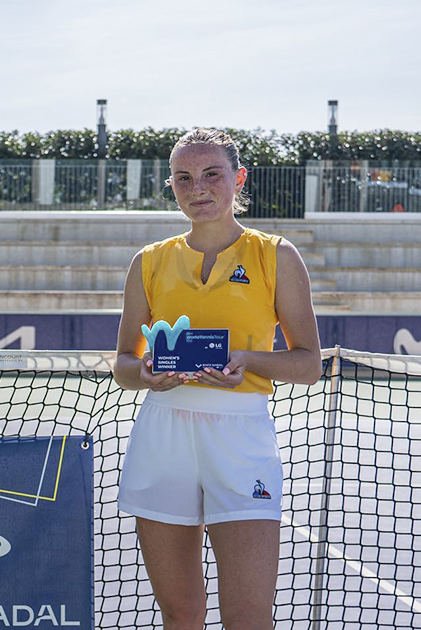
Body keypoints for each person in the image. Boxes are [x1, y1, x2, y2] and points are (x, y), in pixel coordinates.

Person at [114, 128, 321, 630]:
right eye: (183, 178)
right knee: (181, 615)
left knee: (248, 619)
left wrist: (243, 360)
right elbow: (122, 363)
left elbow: (309, 363)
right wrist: (146, 375)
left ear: (238, 179)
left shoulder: (276, 254)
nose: (198, 188)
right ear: (171, 185)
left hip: (240, 435)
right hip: (162, 434)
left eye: (212, 174)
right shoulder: (149, 260)